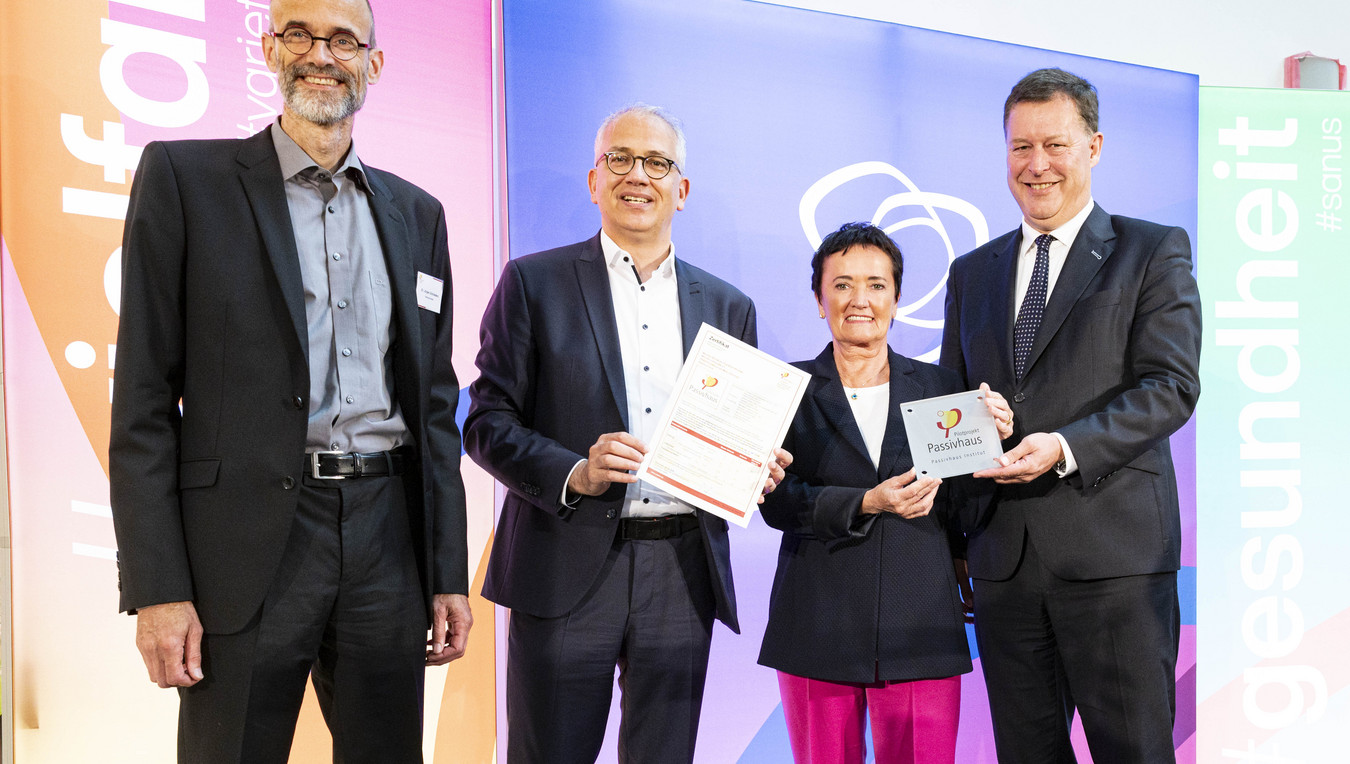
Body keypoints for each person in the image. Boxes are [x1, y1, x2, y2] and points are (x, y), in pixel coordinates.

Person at [109, 0, 472, 763]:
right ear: (269, 46)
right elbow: (141, 402)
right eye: (300, 34)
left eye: (344, 39)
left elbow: (435, 406)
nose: (322, 55)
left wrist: (446, 570)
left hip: (386, 538)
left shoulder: (418, 214)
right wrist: (158, 588)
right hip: (245, 544)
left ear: (372, 64)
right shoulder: (186, 182)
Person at [464, 104, 789, 764]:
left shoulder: (729, 307)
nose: (638, 175)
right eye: (621, 158)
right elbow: (485, 420)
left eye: (657, 163)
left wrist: (754, 469)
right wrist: (571, 472)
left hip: (681, 567)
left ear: (682, 189)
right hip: (564, 560)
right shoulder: (534, 282)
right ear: (594, 180)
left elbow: (737, 437)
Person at [940, 67, 1202, 763]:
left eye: (1054, 145)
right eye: (1020, 148)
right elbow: (952, 406)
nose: (1037, 165)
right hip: (1002, 563)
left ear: (1094, 146)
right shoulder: (972, 272)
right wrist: (975, 420)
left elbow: (1171, 386)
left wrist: (1063, 444)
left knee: (1135, 751)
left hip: (1114, 559)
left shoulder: (1151, 251)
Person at [758, 222, 1014, 764]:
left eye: (876, 285)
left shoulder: (944, 389)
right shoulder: (783, 389)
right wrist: (865, 502)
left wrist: (993, 441)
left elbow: (965, 508)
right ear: (818, 298)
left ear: (896, 299)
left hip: (921, 621)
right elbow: (777, 505)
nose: (860, 300)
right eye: (843, 284)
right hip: (815, 623)